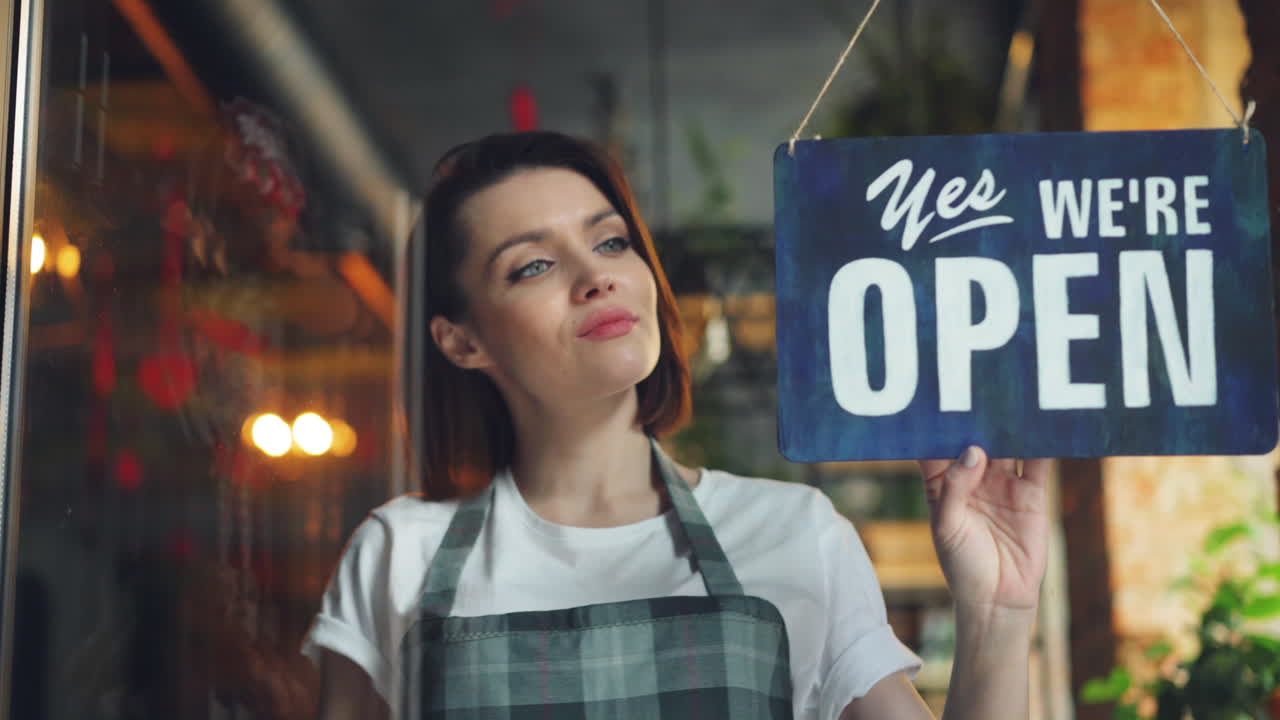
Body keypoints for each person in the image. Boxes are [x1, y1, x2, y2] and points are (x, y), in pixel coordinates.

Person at [303, 131, 1050, 720]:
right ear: (461, 341)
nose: (596, 275)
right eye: (532, 266)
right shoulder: (397, 556)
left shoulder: (793, 533)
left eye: (610, 240)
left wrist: (996, 612)